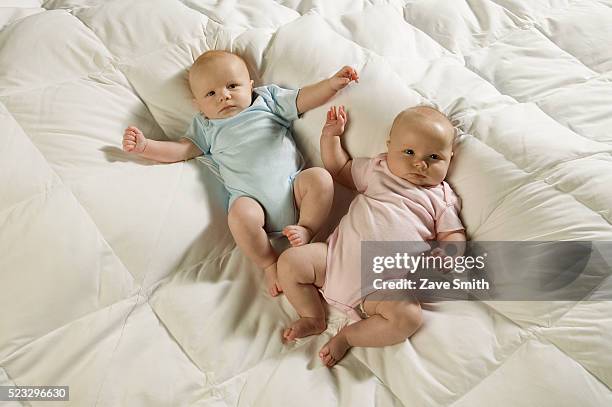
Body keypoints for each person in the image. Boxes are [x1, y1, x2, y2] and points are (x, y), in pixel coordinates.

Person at [122, 50, 359, 297]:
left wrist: (331, 85)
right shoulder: (206, 126)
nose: (224, 96)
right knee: (238, 216)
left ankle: (307, 229)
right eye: (211, 93)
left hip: (294, 189)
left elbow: (303, 98)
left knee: (319, 178)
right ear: (198, 104)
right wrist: (146, 147)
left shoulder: (267, 101)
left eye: (232, 85)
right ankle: (269, 263)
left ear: (250, 85)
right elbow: (182, 150)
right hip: (252, 201)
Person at [277, 105, 466, 366]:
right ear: (390, 147)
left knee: (408, 317)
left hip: (380, 286)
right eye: (409, 151)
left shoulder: (441, 198)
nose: (420, 163)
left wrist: (448, 255)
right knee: (288, 262)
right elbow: (339, 169)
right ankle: (312, 317)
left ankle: (348, 337)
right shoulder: (378, 168)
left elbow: (453, 234)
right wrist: (330, 137)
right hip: (332, 260)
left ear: (450, 159)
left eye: (434, 157)